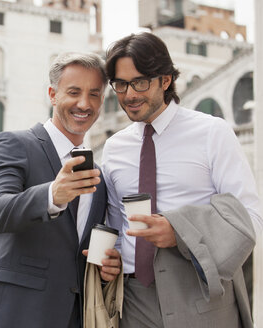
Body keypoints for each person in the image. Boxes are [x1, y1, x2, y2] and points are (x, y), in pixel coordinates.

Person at [101, 32, 262, 328]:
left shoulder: (212, 133)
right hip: (134, 298)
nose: (129, 94)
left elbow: (250, 219)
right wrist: (110, 258)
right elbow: (116, 225)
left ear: (165, 80)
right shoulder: (113, 148)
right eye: (120, 84)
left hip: (201, 291)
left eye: (140, 82)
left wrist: (181, 232)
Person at [0, 52, 121, 328]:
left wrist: (107, 268)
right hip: (11, 315)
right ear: (52, 94)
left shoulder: (99, 177)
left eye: (94, 94)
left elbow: (78, 252)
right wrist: (52, 196)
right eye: (74, 92)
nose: (85, 104)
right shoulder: (13, 144)